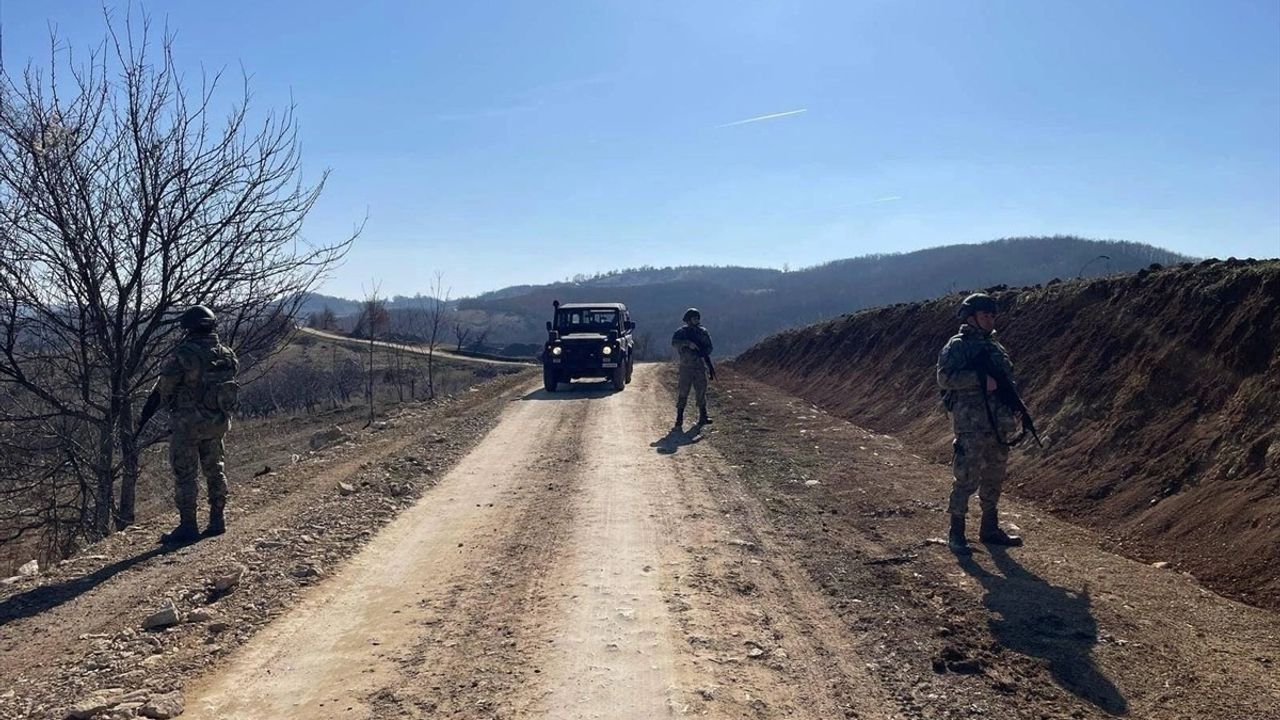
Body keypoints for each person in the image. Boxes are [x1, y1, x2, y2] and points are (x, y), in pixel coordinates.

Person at [139, 305, 240, 544]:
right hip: (217, 422)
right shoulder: (227, 354)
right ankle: (217, 519)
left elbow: (164, 389)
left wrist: (146, 413)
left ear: (190, 328)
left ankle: (188, 526)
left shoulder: (184, 354)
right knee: (215, 469)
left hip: (188, 426)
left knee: (185, 475)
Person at [936, 293, 1025, 554]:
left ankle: (989, 528)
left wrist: (1016, 406)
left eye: (993, 315)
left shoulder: (996, 347)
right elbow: (944, 378)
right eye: (985, 314)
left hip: (998, 423)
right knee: (966, 476)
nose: (990, 319)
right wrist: (978, 379)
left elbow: (1007, 381)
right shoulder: (957, 346)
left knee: (994, 476)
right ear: (971, 317)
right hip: (971, 424)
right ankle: (957, 532)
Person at [670, 307, 714, 429]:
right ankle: (679, 418)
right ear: (688, 319)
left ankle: (703, 416)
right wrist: (688, 344)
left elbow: (709, 347)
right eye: (694, 318)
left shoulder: (703, 332)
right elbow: (674, 343)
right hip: (686, 366)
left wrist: (702, 352)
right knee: (683, 392)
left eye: (697, 318)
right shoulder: (681, 332)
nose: (696, 320)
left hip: (699, 366)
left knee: (701, 391)